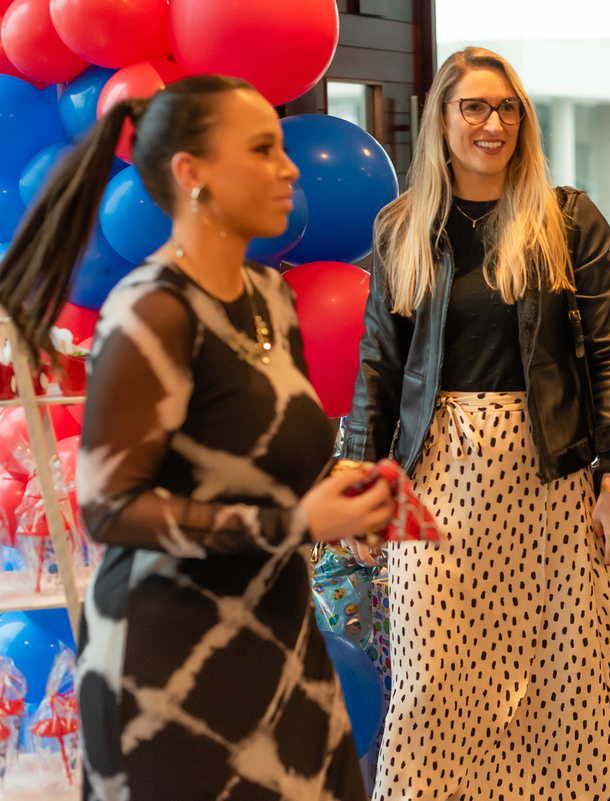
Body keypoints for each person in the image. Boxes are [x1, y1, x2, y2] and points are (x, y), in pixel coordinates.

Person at [0, 75, 400, 801]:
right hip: (168, 667)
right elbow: (110, 508)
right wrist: (294, 522)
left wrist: (346, 498)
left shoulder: (271, 298)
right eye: (263, 149)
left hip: (278, 640)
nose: (289, 168)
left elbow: (259, 464)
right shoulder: (150, 309)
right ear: (192, 174)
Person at [342, 47, 610, 800]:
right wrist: (359, 478)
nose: (493, 124)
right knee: (433, 675)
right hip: (435, 477)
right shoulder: (402, 225)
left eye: (508, 109)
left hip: (546, 475)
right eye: (475, 107)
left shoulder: (567, 219)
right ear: (442, 118)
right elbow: (378, 364)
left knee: (564, 675)